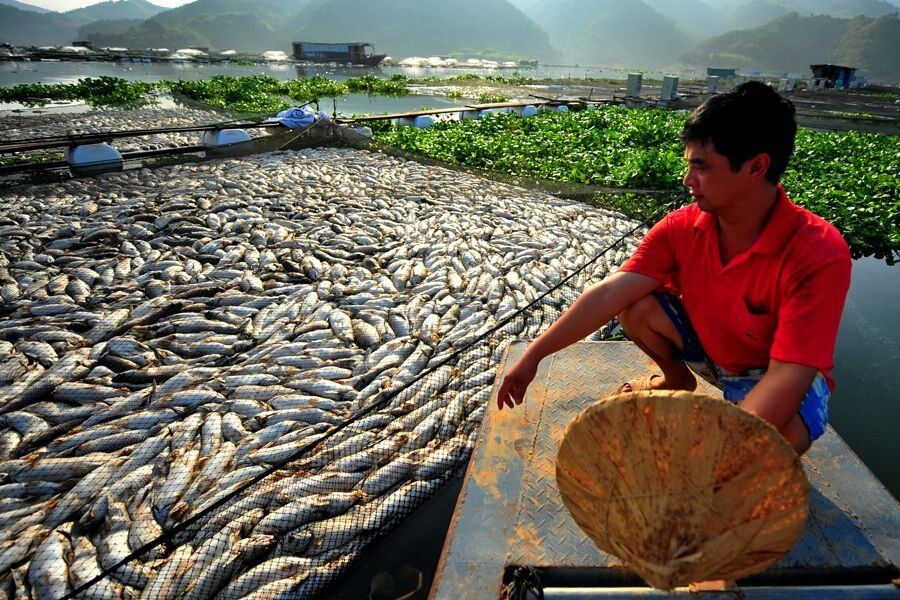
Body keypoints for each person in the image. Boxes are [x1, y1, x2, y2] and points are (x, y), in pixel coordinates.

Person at [497, 81, 852, 459]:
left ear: (756, 166)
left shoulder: (817, 252)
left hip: (774, 375)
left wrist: (718, 447)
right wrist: (534, 355)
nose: (687, 181)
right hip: (714, 355)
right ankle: (677, 380)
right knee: (635, 306)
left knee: (776, 447)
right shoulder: (682, 226)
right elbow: (610, 292)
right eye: (689, 165)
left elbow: (789, 374)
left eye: (701, 166)